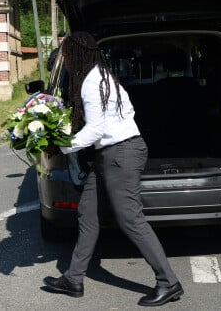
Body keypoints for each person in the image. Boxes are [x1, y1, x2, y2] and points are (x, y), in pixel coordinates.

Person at [42, 31, 183, 307]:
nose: (66, 60)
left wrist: (62, 145)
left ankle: (169, 282)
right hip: (110, 155)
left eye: (67, 54)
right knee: (87, 213)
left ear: (78, 54)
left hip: (120, 154)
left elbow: (95, 129)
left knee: (131, 219)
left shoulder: (92, 82)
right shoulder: (102, 76)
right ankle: (74, 279)